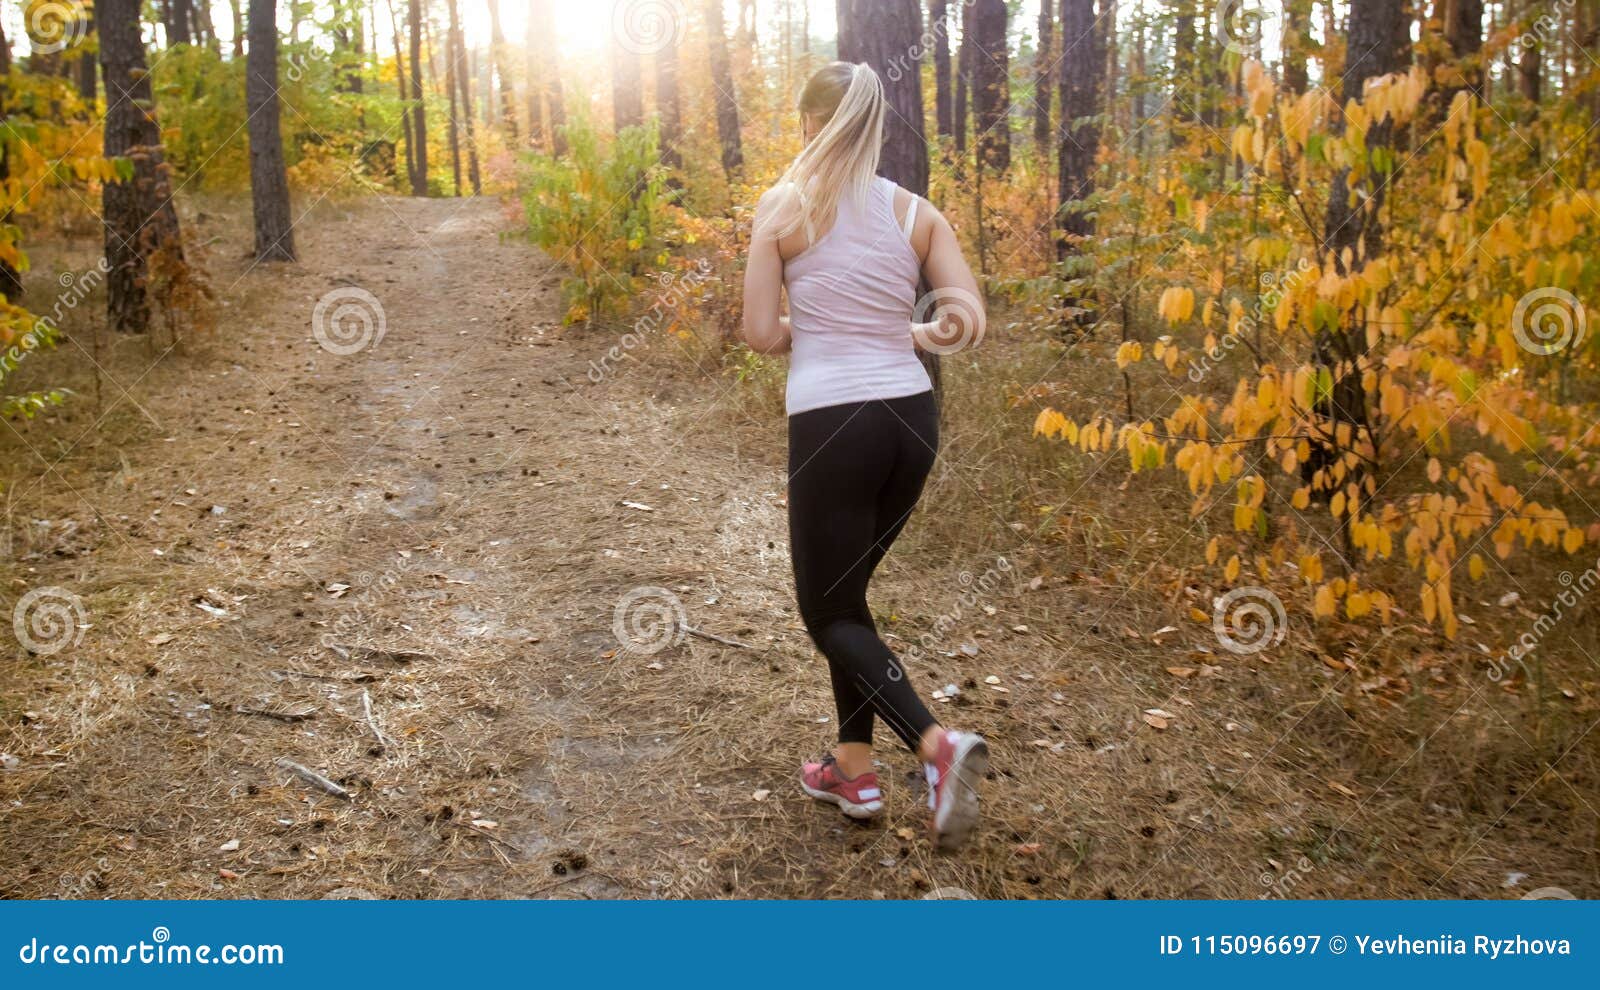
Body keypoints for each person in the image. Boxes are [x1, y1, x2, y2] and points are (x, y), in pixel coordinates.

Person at [741, 61, 989, 850]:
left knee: (829, 610)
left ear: (808, 123)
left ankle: (935, 744)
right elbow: (965, 322)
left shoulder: (784, 208)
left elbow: (758, 334)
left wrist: (813, 334)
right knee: (848, 602)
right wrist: (901, 333)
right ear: (875, 126)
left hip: (834, 424)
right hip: (910, 422)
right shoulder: (917, 213)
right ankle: (854, 768)